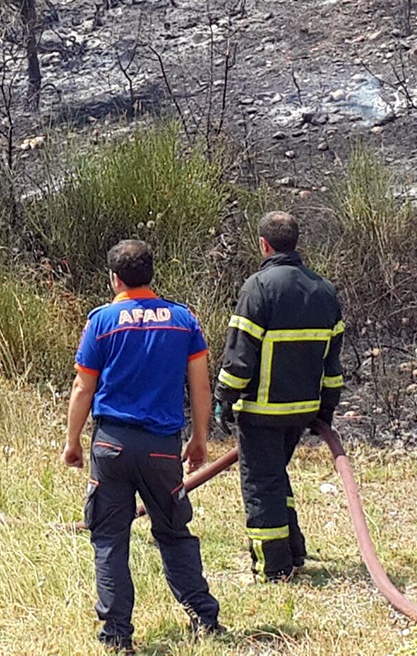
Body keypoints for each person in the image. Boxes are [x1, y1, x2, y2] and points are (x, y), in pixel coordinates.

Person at [63, 239, 222, 654]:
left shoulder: (103, 321)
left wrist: (72, 442)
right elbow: (201, 385)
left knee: (110, 538)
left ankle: (117, 635)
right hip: (161, 448)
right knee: (173, 532)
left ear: (114, 279)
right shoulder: (183, 320)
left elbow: (84, 386)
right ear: (152, 273)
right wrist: (200, 439)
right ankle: (204, 617)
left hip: (112, 445)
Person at [214, 211, 344, 581]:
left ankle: (271, 566)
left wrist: (225, 397)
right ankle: (294, 551)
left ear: (263, 245)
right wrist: (326, 413)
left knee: (260, 483)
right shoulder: (324, 290)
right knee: (274, 477)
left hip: (261, 410)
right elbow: (332, 365)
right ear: (296, 243)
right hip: (302, 411)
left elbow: (240, 356)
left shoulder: (258, 288)